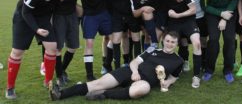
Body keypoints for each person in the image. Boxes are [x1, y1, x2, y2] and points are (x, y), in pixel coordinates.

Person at [49, 31, 184, 101]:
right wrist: (135, 72)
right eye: (167, 41)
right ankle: (60, 94)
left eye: (173, 42)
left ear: (177, 44)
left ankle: (103, 95)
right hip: (130, 72)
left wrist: (167, 82)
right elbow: (134, 62)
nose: (169, 44)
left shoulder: (178, 61)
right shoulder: (153, 50)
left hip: (145, 81)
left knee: (140, 90)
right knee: (97, 83)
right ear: (163, 40)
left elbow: (174, 76)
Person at [6, 0, 66, 99]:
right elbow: (25, 12)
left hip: (42, 19)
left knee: (52, 47)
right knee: (17, 52)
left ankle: (49, 82)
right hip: (23, 18)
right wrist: (37, 30)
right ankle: (10, 87)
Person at [158, 0, 202, 88]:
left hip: (187, 20)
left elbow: (193, 9)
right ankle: (167, 72)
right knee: (167, 44)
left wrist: (177, 15)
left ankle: (196, 76)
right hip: (173, 23)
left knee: (197, 43)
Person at [200, 0, 238, 84]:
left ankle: (228, 71)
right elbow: (205, 6)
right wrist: (221, 14)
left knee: (229, 39)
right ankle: (209, 70)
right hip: (213, 14)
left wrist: (225, 17)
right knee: (214, 40)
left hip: (229, 12)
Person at [52, 0, 89, 86]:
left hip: (72, 16)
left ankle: (61, 71)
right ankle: (59, 76)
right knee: (58, 48)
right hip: (58, 16)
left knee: (73, 47)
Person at [80, 0, 113, 81]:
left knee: (114, 38)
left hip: (104, 14)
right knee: (89, 43)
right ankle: (89, 75)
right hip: (89, 16)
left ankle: (106, 65)